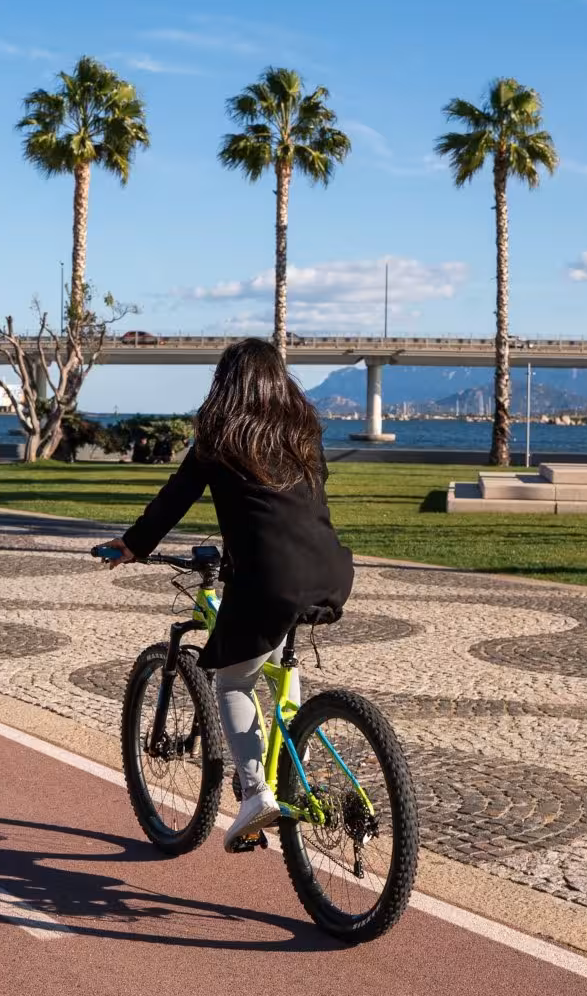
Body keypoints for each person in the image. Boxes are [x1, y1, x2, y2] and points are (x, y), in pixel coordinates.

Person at [98, 339, 353, 851]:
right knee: (276, 659)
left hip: (268, 579)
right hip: (330, 567)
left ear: (226, 382)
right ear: (280, 381)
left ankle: (257, 794)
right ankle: (287, 763)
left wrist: (132, 545)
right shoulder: (303, 431)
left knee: (232, 682)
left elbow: (177, 495)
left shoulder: (219, 433)